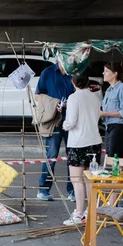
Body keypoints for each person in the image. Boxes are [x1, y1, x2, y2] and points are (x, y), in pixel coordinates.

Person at [62, 73, 103, 226]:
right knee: (89, 178)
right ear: (87, 82)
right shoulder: (95, 97)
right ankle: (90, 211)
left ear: (73, 82)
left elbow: (71, 121)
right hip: (95, 141)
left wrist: (64, 125)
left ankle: (79, 212)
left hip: (78, 142)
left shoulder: (73, 98)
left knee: (76, 179)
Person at [35, 59, 76, 202]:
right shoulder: (48, 73)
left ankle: (73, 191)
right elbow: (38, 95)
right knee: (51, 154)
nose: (70, 61)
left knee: (73, 156)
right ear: (59, 58)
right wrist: (55, 103)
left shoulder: (74, 73)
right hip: (54, 120)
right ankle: (43, 189)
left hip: (72, 120)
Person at [100, 62, 123, 159]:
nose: (103, 73)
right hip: (108, 126)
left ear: (115, 74)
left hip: (119, 127)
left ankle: (118, 174)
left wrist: (105, 113)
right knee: (109, 158)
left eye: (106, 71)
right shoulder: (108, 91)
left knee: (115, 158)